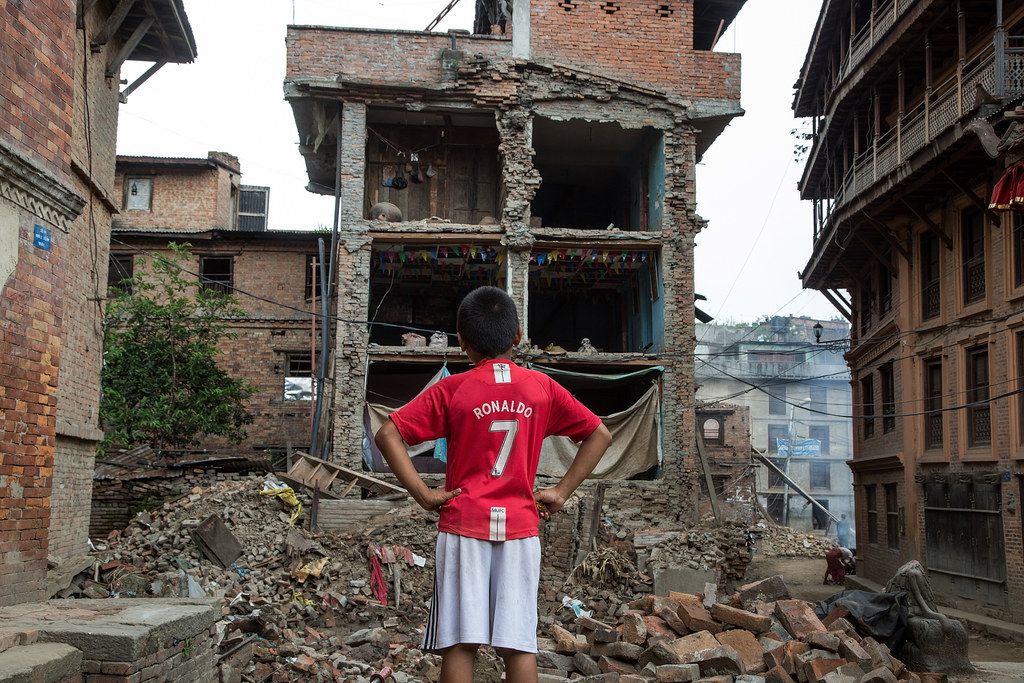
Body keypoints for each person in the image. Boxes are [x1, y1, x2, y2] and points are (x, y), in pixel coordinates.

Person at [375, 286, 612, 683]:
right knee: (518, 644)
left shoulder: (452, 390)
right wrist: (561, 491)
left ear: (462, 341)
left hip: (463, 524)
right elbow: (600, 434)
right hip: (520, 528)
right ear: (517, 336)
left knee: (460, 643)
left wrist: (424, 494)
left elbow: (387, 435)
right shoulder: (542, 388)